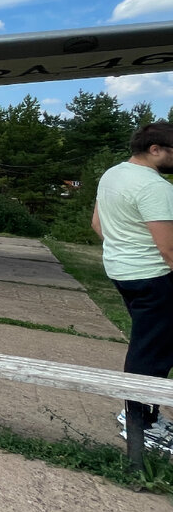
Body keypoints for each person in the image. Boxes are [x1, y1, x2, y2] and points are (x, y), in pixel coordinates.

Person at [92, 120, 173, 453]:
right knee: (152, 351)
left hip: (122, 272)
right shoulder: (155, 187)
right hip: (155, 277)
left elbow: (98, 224)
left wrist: (125, 251)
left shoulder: (112, 174)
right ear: (155, 150)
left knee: (151, 342)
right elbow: (169, 249)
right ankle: (141, 423)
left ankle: (143, 416)